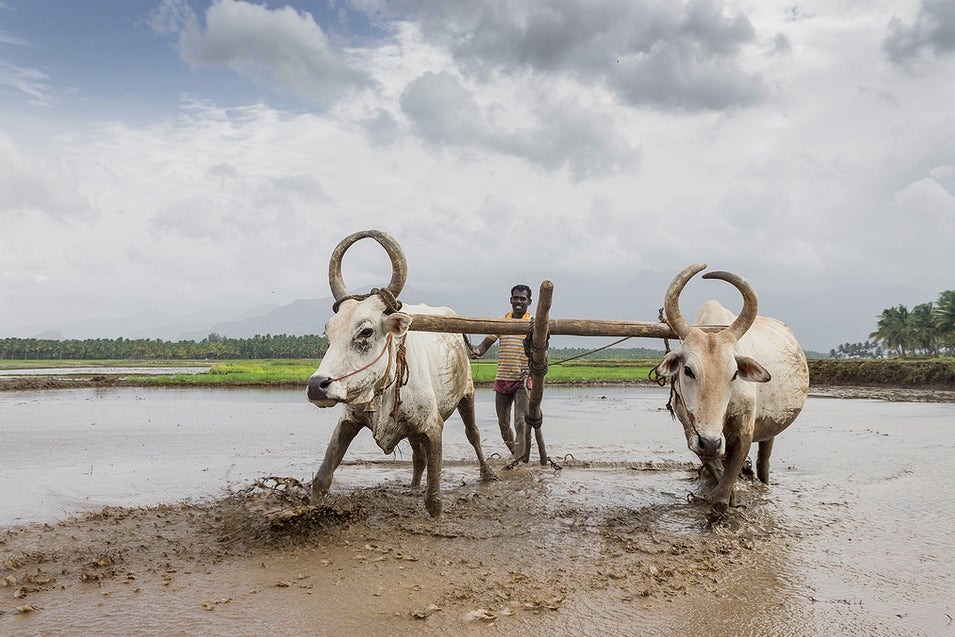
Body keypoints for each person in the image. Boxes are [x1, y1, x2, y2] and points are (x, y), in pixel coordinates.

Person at [470, 285, 533, 458]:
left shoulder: (533, 324)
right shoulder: (501, 321)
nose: (518, 301)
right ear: (511, 300)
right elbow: (485, 345)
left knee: (521, 422)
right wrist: (477, 352)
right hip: (503, 378)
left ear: (529, 302)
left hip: (522, 380)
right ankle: (516, 454)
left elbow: (540, 352)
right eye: (516, 298)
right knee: (503, 424)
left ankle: (519, 458)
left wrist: (532, 372)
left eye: (522, 298)